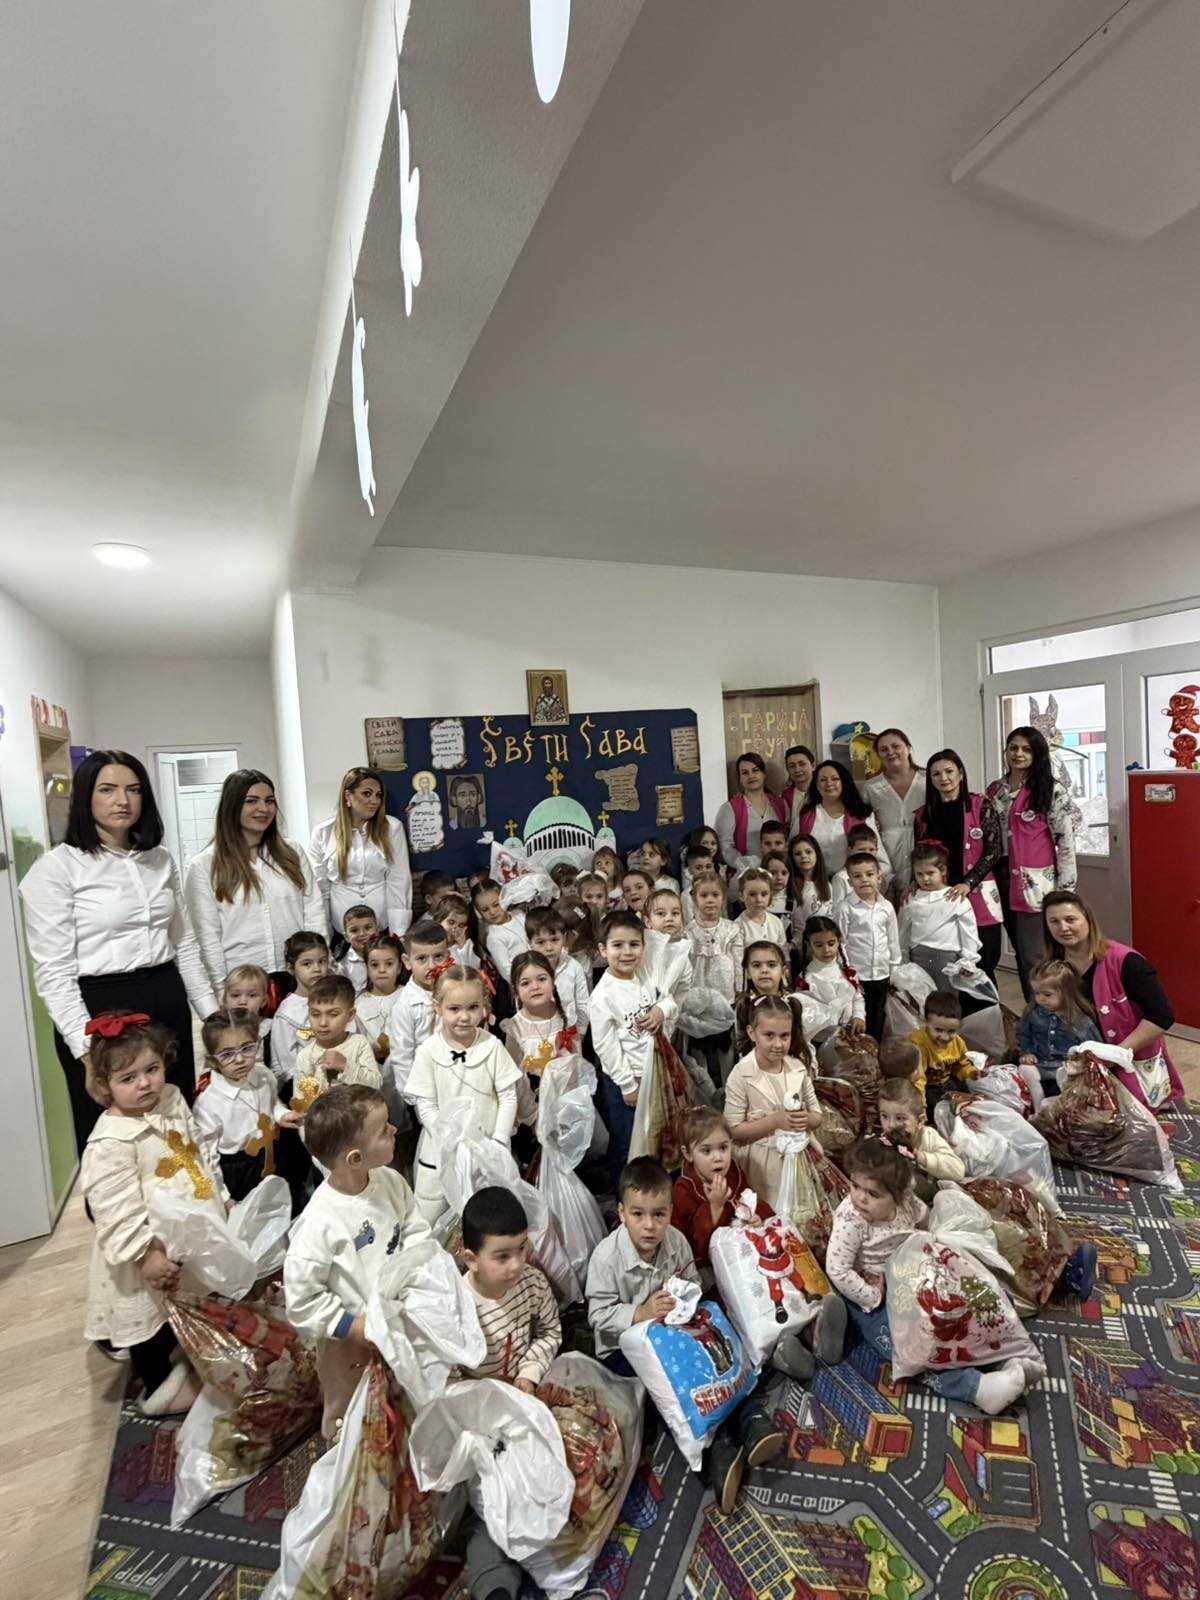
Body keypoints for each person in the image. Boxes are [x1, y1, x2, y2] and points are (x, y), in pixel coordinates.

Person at [20, 749, 216, 1153]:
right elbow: (54, 973)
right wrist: (86, 1052)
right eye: (107, 789)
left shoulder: (159, 860)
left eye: (133, 790)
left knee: (175, 1124)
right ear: (85, 797)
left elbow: (184, 944)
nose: (122, 800)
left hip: (165, 996)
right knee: (115, 1137)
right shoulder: (57, 868)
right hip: (100, 1010)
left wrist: (212, 1018)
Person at [586, 1156, 785, 1515]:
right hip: (624, 1349)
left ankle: (750, 1418)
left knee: (713, 1348)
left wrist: (684, 1299)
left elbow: (692, 1280)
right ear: (621, 1213)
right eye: (638, 1214)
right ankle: (716, 1454)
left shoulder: (675, 1241)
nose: (649, 1225)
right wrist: (640, 1312)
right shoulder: (606, 1258)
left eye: (659, 1214)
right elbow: (598, 1315)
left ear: (670, 1213)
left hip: (673, 1328)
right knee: (668, 1386)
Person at [826, 1140, 1039, 1415]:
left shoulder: (905, 1201)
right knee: (910, 1348)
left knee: (964, 1301)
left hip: (913, 1269)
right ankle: (976, 1388)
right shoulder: (851, 1220)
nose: (860, 1198)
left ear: (897, 1194)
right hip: (873, 1288)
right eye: (855, 1186)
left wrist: (937, 1240)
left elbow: (924, 1217)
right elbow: (838, 1270)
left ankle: (1001, 1356)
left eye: (873, 1193)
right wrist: (872, 1296)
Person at [81, 1013, 224, 1414]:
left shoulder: (172, 1098)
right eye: (128, 1078)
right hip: (144, 1249)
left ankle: (186, 1344)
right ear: (104, 1086)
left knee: (185, 1299)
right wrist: (144, 1255)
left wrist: (220, 1195)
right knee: (147, 1319)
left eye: (151, 1069)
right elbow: (115, 1210)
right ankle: (157, 1387)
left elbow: (200, 1149)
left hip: (186, 1229)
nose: (144, 1083)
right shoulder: (111, 1142)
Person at [282, 1084, 428, 1437]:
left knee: (401, 1392)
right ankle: (343, 1447)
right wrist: (355, 1327)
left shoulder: (390, 1181)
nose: (394, 1129)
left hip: (396, 1317)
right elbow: (302, 1301)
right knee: (352, 1409)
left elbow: (413, 1227)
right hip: (349, 1343)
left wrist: (418, 1278)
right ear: (355, 1159)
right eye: (384, 1130)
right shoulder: (319, 1224)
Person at [457, 1186, 563, 1600]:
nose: (517, 1264)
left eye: (522, 1249)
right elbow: (445, 1378)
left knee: (557, 1468)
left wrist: (529, 1374)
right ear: (471, 1259)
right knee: (492, 1500)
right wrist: (483, 1403)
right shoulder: (457, 1308)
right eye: (502, 1256)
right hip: (479, 1420)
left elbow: (550, 1331)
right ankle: (494, 1583)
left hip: (525, 1399)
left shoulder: (532, 1283)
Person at [186, 768, 326, 995]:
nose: (264, 809)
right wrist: (222, 992)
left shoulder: (292, 853)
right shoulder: (204, 865)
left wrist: (318, 967)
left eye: (269, 801)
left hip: (298, 983)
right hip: (242, 989)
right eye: (251, 801)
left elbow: (314, 913)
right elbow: (207, 938)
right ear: (232, 806)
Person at [1042, 890, 1183, 1107]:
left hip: (1131, 1064)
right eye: (1054, 922)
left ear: (1088, 920)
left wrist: (1115, 1054)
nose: (1063, 927)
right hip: (1076, 1063)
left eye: (1070, 919)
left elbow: (1161, 1017)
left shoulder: (1127, 961)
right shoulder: (1051, 968)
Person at [407, 965, 524, 1223]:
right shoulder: (428, 1051)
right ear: (438, 1007)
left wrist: (499, 1141)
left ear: (483, 1007)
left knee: (489, 1217)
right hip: (441, 1150)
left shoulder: (492, 1046)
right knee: (431, 1215)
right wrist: (449, 1139)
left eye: (473, 1008)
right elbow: (426, 1105)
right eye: (454, 1009)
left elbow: (507, 1096)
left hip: (487, 1150)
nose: (464, 1017)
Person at [588, 911, 680, 1188]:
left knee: (657, 1135)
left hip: (657, 1072)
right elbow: (605, 1046)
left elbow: (670, 1000)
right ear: (603, 950)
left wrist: (661, 1010)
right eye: (618, 945)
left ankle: (658, 1190)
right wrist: (627, 1084)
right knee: (627, 1143)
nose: (627, 952)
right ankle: (626, 1198)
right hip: (626, 1082)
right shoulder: (603, 995)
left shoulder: (646, 975)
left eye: (634, 944)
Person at [985, 728, 1076, 998]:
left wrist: (1066, 891)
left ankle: (1052, 1012)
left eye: (1026, 749)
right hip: (1000, 878)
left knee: (1035, 955)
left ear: (1038, 754)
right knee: (1019, 951)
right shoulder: (995, 790)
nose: (1018, 754)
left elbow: (1065, 842)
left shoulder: (1051, 790)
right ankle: (1033, 1011)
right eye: (1013, 748)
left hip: (1036, 882)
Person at [914, 748, 1004, 984]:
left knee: (984, 963)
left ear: (961, 774)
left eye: (949, 771)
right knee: (950, 966)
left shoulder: (981, 805)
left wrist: (968, 883)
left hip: (977, 893)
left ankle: (987, 1007)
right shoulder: (923, 815)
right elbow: (919, 856)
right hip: (941, 899)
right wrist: (914, 883)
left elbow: (993, 851)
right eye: (936, 774)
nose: (943, 778)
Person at [725, 995, 822, 1208]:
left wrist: (804, 1120)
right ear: (752, 1033)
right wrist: (774, 1121)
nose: (778, 1044)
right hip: (760, 1164)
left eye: (784, 1036)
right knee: (769, 1214)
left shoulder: (797, 1068)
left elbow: (817, 1116)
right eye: (769, 1035)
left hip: (797, 1160)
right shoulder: (741, 1074)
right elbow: (733, 1130)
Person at [193, 1008, 299, 1201]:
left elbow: (272, 1102)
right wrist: (224, 1197)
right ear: (212, 1061)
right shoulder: (208, 1102)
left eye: (247, 1048)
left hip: (272, 1154)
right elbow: (207, 1155)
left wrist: (281, 1114)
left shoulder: (263, 1074)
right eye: (227, 1054)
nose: (240, 1059)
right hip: (238, 1169)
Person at [308, 767, 412, 938]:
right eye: (367, 794)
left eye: (378, 795)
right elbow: (320, 887)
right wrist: (323, 936)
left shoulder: (392, 828)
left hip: (381, 927)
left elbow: (399, 881)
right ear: (348, 796)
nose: (374, 801)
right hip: (342, 931)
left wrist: (398, 934)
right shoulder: (323, 832)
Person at [291, 975, 382, 1117]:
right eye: (315, 1014)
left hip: (360, 1124)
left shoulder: (359, 1043)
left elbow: (375, 1085)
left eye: (333, 1014)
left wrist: (345, 1066)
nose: (323, 1023)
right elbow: (302, 1107)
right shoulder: (305, 1056)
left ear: (350, 1015)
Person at [385, 918, 450, 1109]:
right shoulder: (404, 1006)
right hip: (426, 1091)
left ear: (448, 956)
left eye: (438, 957)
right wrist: (416, 1101)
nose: (431, 966)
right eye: (422, 959)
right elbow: (402, 1057)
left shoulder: (455, 988)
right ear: (407, 962)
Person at [835, 852, 900, 1042]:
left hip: (881, 974)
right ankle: (858, 1054)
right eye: (857, 876)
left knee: (878, 1018)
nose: (864, 879)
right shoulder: (845, 908)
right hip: (857, 976)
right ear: (850, 881)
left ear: (879, 877)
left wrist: (894, 970)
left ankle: (875, 1051)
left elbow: (893, 940)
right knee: (857, 1019)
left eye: (869, 874)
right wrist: (847, 972)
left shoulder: (886, 907)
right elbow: (840, 942)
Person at [1016, 957, 1102, 1090]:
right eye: (1036, 993)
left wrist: (1081, 1063)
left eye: (1047, 994)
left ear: (1066, 993)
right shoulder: (1033, 1013)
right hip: (1039, 1064)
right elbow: (1023, 1034)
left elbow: (1094, 1047)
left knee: (1067, 1082)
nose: (1040, 999)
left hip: (1067, 1069)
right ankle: (1038, 1099)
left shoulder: (1079, 1020)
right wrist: (1027, 1053)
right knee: (1024, 1071)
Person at [898, 841, 981, 976]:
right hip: (916, 961)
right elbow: (903, 932)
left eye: (930, 873)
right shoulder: (911, 898)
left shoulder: (956, 898)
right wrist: (902, 960)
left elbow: (968, 933)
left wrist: (969, 961)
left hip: (948, 962)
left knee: (946, 990)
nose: (925, 879)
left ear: (943, 871)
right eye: (919, 874)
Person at [876, 1078, 965, 1200]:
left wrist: (920, 1157)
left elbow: (958, 1171)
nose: (890, 1125)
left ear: (920, 1121)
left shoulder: (928, 1137)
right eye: (884, 1116)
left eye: (900, 1118)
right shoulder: (882, 1142)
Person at [864, 729, 926, 896]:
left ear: (908, 748)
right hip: (887, 860)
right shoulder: (871, 788)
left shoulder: (927, 780)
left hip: (925, 860)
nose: (890, 752)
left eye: (896, 746)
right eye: (884, 749)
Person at [794, 761, 877, 877]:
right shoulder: (806, 815)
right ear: (816, 785)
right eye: (823, 780)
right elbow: (793, 848)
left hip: (852, 881)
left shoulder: (862, 814)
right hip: (815, 880)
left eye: (835, 779)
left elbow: (878, 855)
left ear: (844, 782)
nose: (829, 783)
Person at [269, 931, 333, 1081]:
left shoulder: (337, 999)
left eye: (322, 961)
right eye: (307, 964)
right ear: (291, 968)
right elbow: (286, 1065)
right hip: (306, 1083)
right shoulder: (286, 1013)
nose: (317, 969)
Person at [714, 753, 790, 874]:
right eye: (745, 773)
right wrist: (744, 864)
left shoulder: (780, 804)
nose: (751, 776)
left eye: (755, 770)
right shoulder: (729, 808)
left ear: (764, 774)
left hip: (779, 874)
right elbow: (724, 846)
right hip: (747, 875)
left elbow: (788, 838)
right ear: (740, 779)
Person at [797, 917, 865, 1034]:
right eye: (819, 945)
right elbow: (805, 1015)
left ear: (838, 941)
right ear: (809, 945)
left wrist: (858, 1016)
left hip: (849, 1035)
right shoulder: (806, 979)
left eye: (831, 943)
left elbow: (857, 998)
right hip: (820, 1038)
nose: (826, 950)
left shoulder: (848, 973)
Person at [910, 992, 973, 1116]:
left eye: (951, 1031)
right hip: (927, 1087)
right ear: (925, 1022)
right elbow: (918, 1080)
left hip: (947, 1082)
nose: (944, 1037)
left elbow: (963, 1065)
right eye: (938, 1030)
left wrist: (971, 1072)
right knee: (941, 1111)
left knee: (969, 1103)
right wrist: (920, 1108)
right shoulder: (918, 1045)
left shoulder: (958, 1042)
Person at [525, 906, 590, 1027]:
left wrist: (581, 1032)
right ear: (530, 943)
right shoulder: (524, 971)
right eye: (541, 942)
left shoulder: (574, 967)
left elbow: (582, 1004)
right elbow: (522, 1007)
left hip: (570, 1031)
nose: (549, 948)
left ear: (563, 938)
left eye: (554, 940)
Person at [355, 933, 404, 1063]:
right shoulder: (358, 1004)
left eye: (389, 964)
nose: (382, 970)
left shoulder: (409, 996)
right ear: (367, 968)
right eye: (375, 965)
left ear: (399, 967)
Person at [470, 878, 528, 984]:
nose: (492, 912)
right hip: (523, 982)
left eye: (496, 904)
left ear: (505, 898)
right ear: (478, 912)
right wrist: (525, 982)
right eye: (485, 909)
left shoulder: (520, 915)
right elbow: (506, 972)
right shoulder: (494, 937)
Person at [731, 867, 788, 966]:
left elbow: (784, 954)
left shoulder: (776, 922)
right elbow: (737, 962)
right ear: (741, 896)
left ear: (770, 895)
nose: (759, 900)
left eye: (764, 894)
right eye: (752, 894)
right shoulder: (737, 927)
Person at [828, 825, 893, 909]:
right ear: (849, 851)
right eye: (862, 849)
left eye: (871, 850)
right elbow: (838, 910)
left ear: (876, 851)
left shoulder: (877, 875)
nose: (867, 853)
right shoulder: (841, 878)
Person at [787, 833, 833, 944]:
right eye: (798, 854)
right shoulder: (790, 886)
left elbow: (830, 915)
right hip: (797, 944)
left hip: (823, 943)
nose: (803, 856)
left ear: (817, 853)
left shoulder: (827, 885)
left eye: (808, 852)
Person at [338, 904, 379, 995]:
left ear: (377, 931)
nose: (362, 934)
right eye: (354, 930)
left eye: (367, 928)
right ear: (346, 937)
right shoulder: (342, 965)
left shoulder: (387, 955)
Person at [781, 745, 817, 822]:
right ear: (788, 770)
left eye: (802, 764)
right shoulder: (785, 796)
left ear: (813, 766)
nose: (797, 770)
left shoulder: (824, 792)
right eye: (792, 766)